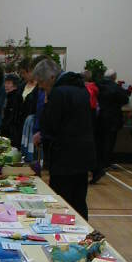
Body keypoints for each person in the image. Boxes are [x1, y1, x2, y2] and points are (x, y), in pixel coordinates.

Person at [33, 59, 96, 220]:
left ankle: (62, 231)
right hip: (82, 155)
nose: (41, 87)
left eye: (41, 82)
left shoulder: (58, 93)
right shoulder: (81, 89)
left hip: (64, 157)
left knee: (62, 202)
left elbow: (51, 125)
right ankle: (84, 231)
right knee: (79, 200)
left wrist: (46, 107)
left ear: (51, 77)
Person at [96, 69, 129, 172]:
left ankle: (98, 162)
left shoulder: (97, 85)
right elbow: (125, 100)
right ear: (114, 77)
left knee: (99, 140)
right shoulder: (116, 87)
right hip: (112, 118)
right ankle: (106, 163)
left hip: (98, 117)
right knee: (109, 141)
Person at [0, 73, 23, 148]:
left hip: (12, 134)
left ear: (15, 85)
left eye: (9, 83)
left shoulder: (16, 97)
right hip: (9, 132)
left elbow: (12, 118)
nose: (6, 85)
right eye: (5, 83)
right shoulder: (9, 96)